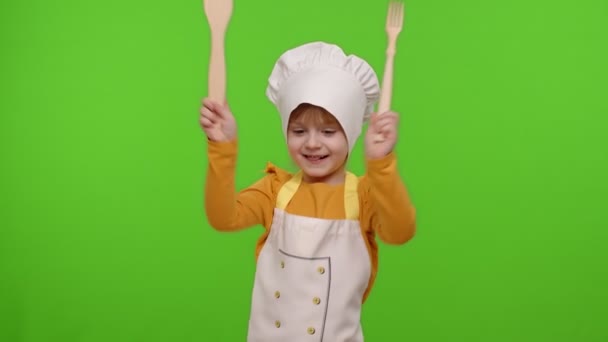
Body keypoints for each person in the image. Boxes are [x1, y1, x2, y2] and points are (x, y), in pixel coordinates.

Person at [199, 41, 416, 342]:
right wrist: (223, 150)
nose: (312, 143)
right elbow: (222, 218)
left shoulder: (365, 195)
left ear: (351, 132)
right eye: (299, 131)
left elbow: (400, 231)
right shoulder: (275, 189)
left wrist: (381, 165)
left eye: (328, 132)